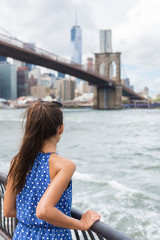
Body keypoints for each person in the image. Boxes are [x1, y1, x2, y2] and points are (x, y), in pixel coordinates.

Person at [3, 101, 101, 240]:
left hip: (22, 234)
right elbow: (44, 211)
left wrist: (29, 216)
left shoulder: (18, 161)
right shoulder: (64, 165)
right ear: (61, 128)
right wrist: (81, 224)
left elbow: (8, 210)